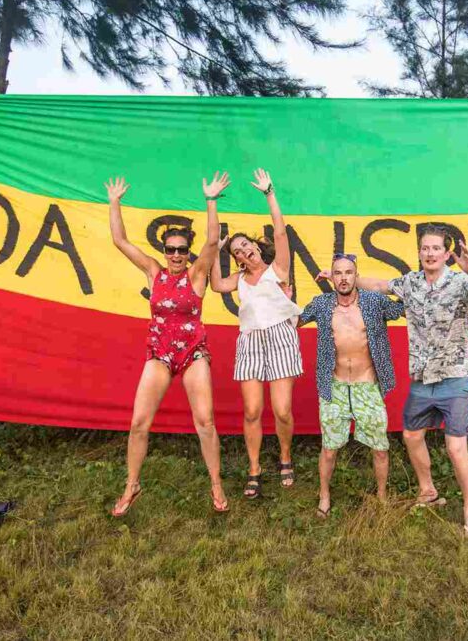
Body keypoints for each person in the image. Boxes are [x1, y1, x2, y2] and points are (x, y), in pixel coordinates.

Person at [356, 225, 468, 540]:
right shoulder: (411, 283)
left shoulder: (461, 281)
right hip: (423, 377)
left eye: (436, 248)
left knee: (455, 447)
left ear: (446, 253)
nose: (430, 253)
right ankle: (428, 492)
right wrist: (345, 279)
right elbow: (381, 285)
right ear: (420, 251)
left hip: (456, 376)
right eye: (425, 248)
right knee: (411, 435)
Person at [106, 171, 231, 516]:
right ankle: (132, 485)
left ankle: (216, 483)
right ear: (164, 251)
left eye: (181, 250)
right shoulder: (153, 272)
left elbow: (211, 241)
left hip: (193, 353)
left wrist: (211, 200)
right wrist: (114, 202)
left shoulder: (197, 274)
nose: (176, 255)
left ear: (187, 253)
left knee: (204, 421)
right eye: (170, 250)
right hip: (159, 353)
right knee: (138, 423)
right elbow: (120, 241)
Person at [211, 168, 302, 499]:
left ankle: (285, 457)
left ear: (254, 247)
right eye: (236, 250)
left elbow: (280, 233)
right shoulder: (236, 280)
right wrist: (215, 250)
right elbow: (216, 283)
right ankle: (254, 469)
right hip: (249, 342)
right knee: (251, 411)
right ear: (235, 258)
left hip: (280, 338)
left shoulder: (277, 270)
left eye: (245, 244)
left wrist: (269, 193)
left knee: (281, 410)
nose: (242, 251)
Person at [299, 253, 404, 518]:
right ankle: (324, 495)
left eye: (349, 272)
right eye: (338, 273)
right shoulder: (322, 304)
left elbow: (404, 304)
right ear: (331, 277)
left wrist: (368, 283)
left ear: (356, 276)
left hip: (366, 384)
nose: (343, 278)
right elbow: (293, 321)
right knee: (329, 448)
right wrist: (281, 298)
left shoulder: (374, 302)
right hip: (333, 386)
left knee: (380, 448)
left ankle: (381, 497)